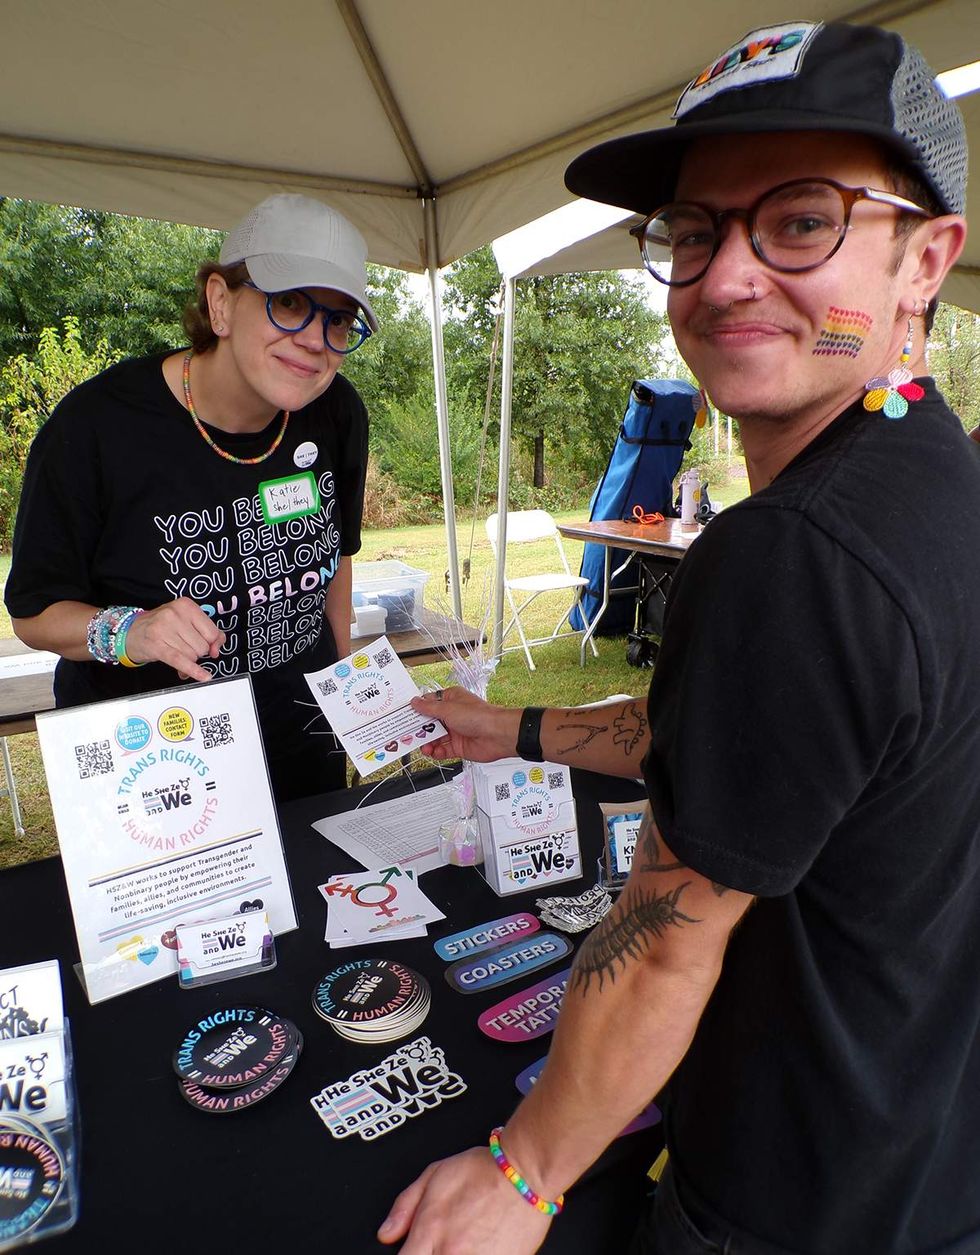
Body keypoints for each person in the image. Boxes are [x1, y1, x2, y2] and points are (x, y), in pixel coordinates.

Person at [379, 20, 980, 1255]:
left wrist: (525, 1169)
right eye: (694, 233)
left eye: (800, 220)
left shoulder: (793, 554)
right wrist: (512, 728)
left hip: (785, 1192)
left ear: (926, 258)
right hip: (919, 1142)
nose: (723, 277)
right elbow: (753, 752)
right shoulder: (935, 467)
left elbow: (664, 938)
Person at [5, 193, 375, 803]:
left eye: (337, 320)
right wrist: (132, 631)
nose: (315, 339)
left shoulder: (336, 413)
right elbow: (33, 612)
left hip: (299, 740)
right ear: (220, 303)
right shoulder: (96, 428)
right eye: (289, 303)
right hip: (152, 759)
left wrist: (342, 690)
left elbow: (336, 560)